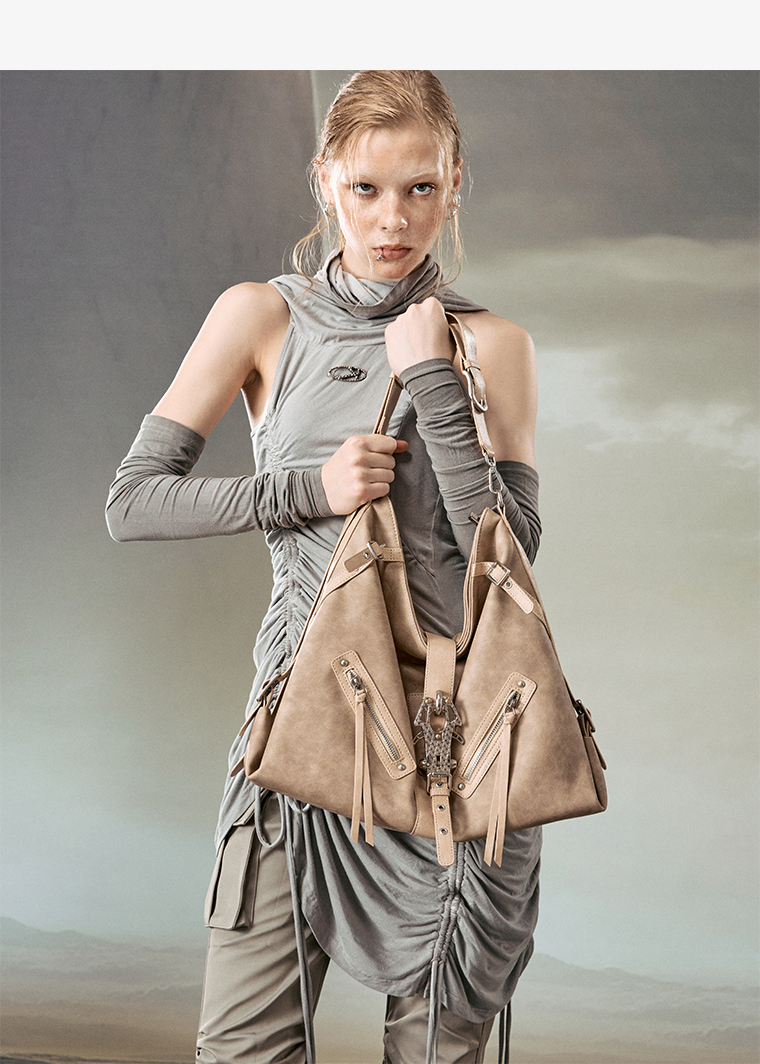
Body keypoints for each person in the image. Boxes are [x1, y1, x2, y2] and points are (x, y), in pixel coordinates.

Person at [106, 70, 542, 1064]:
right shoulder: (260, 316)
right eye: (366, 188)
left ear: (456, 182)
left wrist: (433, 380)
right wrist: (312, 487)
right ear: (324, 179)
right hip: (300, 733)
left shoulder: (494, 344)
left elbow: (511, 558)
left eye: (421, 188)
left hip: (456, 753)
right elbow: (133, 501)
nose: (394, 219)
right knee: (246, 1048)